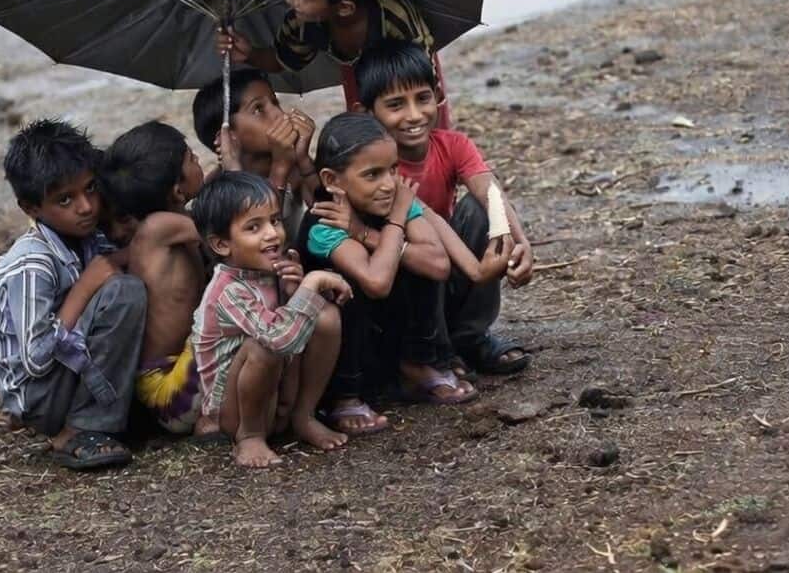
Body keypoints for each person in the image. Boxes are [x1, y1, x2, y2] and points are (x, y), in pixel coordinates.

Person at [353, 42, 534, 376]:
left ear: (437, 95)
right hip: (405, 274)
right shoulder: (377, 167)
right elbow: (426, 224)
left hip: (450, 262)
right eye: (395, 105)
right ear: (366, 113)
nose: (413, 115)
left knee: (483, 212)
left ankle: (470, 336)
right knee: (421, 250)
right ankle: (431, 352)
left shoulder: (453, 144)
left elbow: (489, 190)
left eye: (422, 98)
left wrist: (520, 243)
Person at [0, 119, 146, 470]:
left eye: (90, 189)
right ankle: (77, 429)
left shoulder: (87, 239)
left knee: (130, 285)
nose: (86, 207)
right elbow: (36, 360)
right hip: (38, 397)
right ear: (31, 208)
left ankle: (107, 412)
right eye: (65, 199)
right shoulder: (32, 263)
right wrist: (86, 286)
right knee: (124, 293)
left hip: (67, 374)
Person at [300, 112, 472, 439]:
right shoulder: (325, 222)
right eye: (372, 174)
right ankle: (345, 396)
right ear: (332, 181)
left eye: (393, 169)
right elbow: (375, 283)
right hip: (342, 353)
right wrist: (394, 224)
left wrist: (366, 233)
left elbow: (438, 264)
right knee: (347, 282)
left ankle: (416, 365)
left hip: (382, 341)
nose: (389, 184)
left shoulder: (397, 200)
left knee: (416, 259)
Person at [215, 0, 454, 127]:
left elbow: (425, 84)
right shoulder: (301, 22)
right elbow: (282, 59)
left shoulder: (398, 20)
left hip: (414, 73)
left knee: (427, 138)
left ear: (344, 8)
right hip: (357, 72)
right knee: (367, 132)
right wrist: (249, 54)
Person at [191, 171, 351, 467]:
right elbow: (278, 340)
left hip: (278, 394)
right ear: (222, 245)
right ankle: (249, 438)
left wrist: (295, 291)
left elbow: (295, 325)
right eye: (254, 227)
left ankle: (304, 415)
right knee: (262, 347)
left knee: (325, 315)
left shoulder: (275, 266)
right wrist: (311, 283)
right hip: (234, 413)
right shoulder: (228, 290)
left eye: (275, 220)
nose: (272, 234)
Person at [98, 121, 213, 437]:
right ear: (177, 190)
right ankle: (215, 419)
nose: (198, 161)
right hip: (172, 391)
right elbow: (228, 228)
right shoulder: (160, 228)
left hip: (177, 378)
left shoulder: (165, 224)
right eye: (191, 158)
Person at [191, 67, 317, 243]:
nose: (279, 114)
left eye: (275, 103)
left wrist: (304, 159)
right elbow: (262, 237)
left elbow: (329, 216)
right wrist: (279, 168)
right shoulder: (216, 189)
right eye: (258, 109)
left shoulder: (294, 166)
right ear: (227, 135)